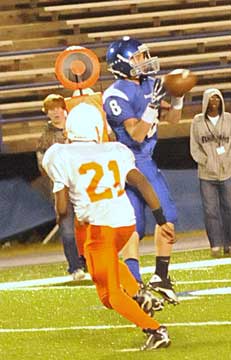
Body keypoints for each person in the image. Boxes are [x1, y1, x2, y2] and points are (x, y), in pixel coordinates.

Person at [42, 102, 175, 350]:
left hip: (99, 228)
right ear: (96, 127)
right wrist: (161, 219)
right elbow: (143, 183)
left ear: (70, 128)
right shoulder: (115, 149)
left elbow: (61, 209)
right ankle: (139, 293)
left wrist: (63, 217)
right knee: (103, 274)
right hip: (125, 223)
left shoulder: (59, 154)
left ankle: (156, 330)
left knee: (109, 294)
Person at [103, 36, 183, 304]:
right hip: (131, 160)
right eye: (137, 57)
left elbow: (172, 118)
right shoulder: (116, 94)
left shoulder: (150, 83)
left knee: (138, 222)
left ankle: (147, 280)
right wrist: (151, 107)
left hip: (145, 157)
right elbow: (136, 134)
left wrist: (179, 97)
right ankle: (146, 279)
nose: (144, 60)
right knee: (157, 217)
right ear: (122, 63)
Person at [36, 94, 86, 280]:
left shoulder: (78, 129)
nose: (56, 112)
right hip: (61, 186)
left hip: (82, 183)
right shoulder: (45, 138)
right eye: (51, 109)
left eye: (58, 107)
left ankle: (90, 260)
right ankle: (75, 266)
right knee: (66, 226)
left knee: (90, 224)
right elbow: (43, 166)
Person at [190, 88, 231, 257]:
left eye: (217, 99)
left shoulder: (229, 119)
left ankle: (229, 243)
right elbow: (194, 147)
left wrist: (227, 161)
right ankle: (215, 244)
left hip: (227, 172)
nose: (215, 102)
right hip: (206, 175)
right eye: (211, 99)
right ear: (206, 102)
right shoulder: (197, 121)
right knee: (210, 211)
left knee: (229, 208)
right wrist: (205, 161)